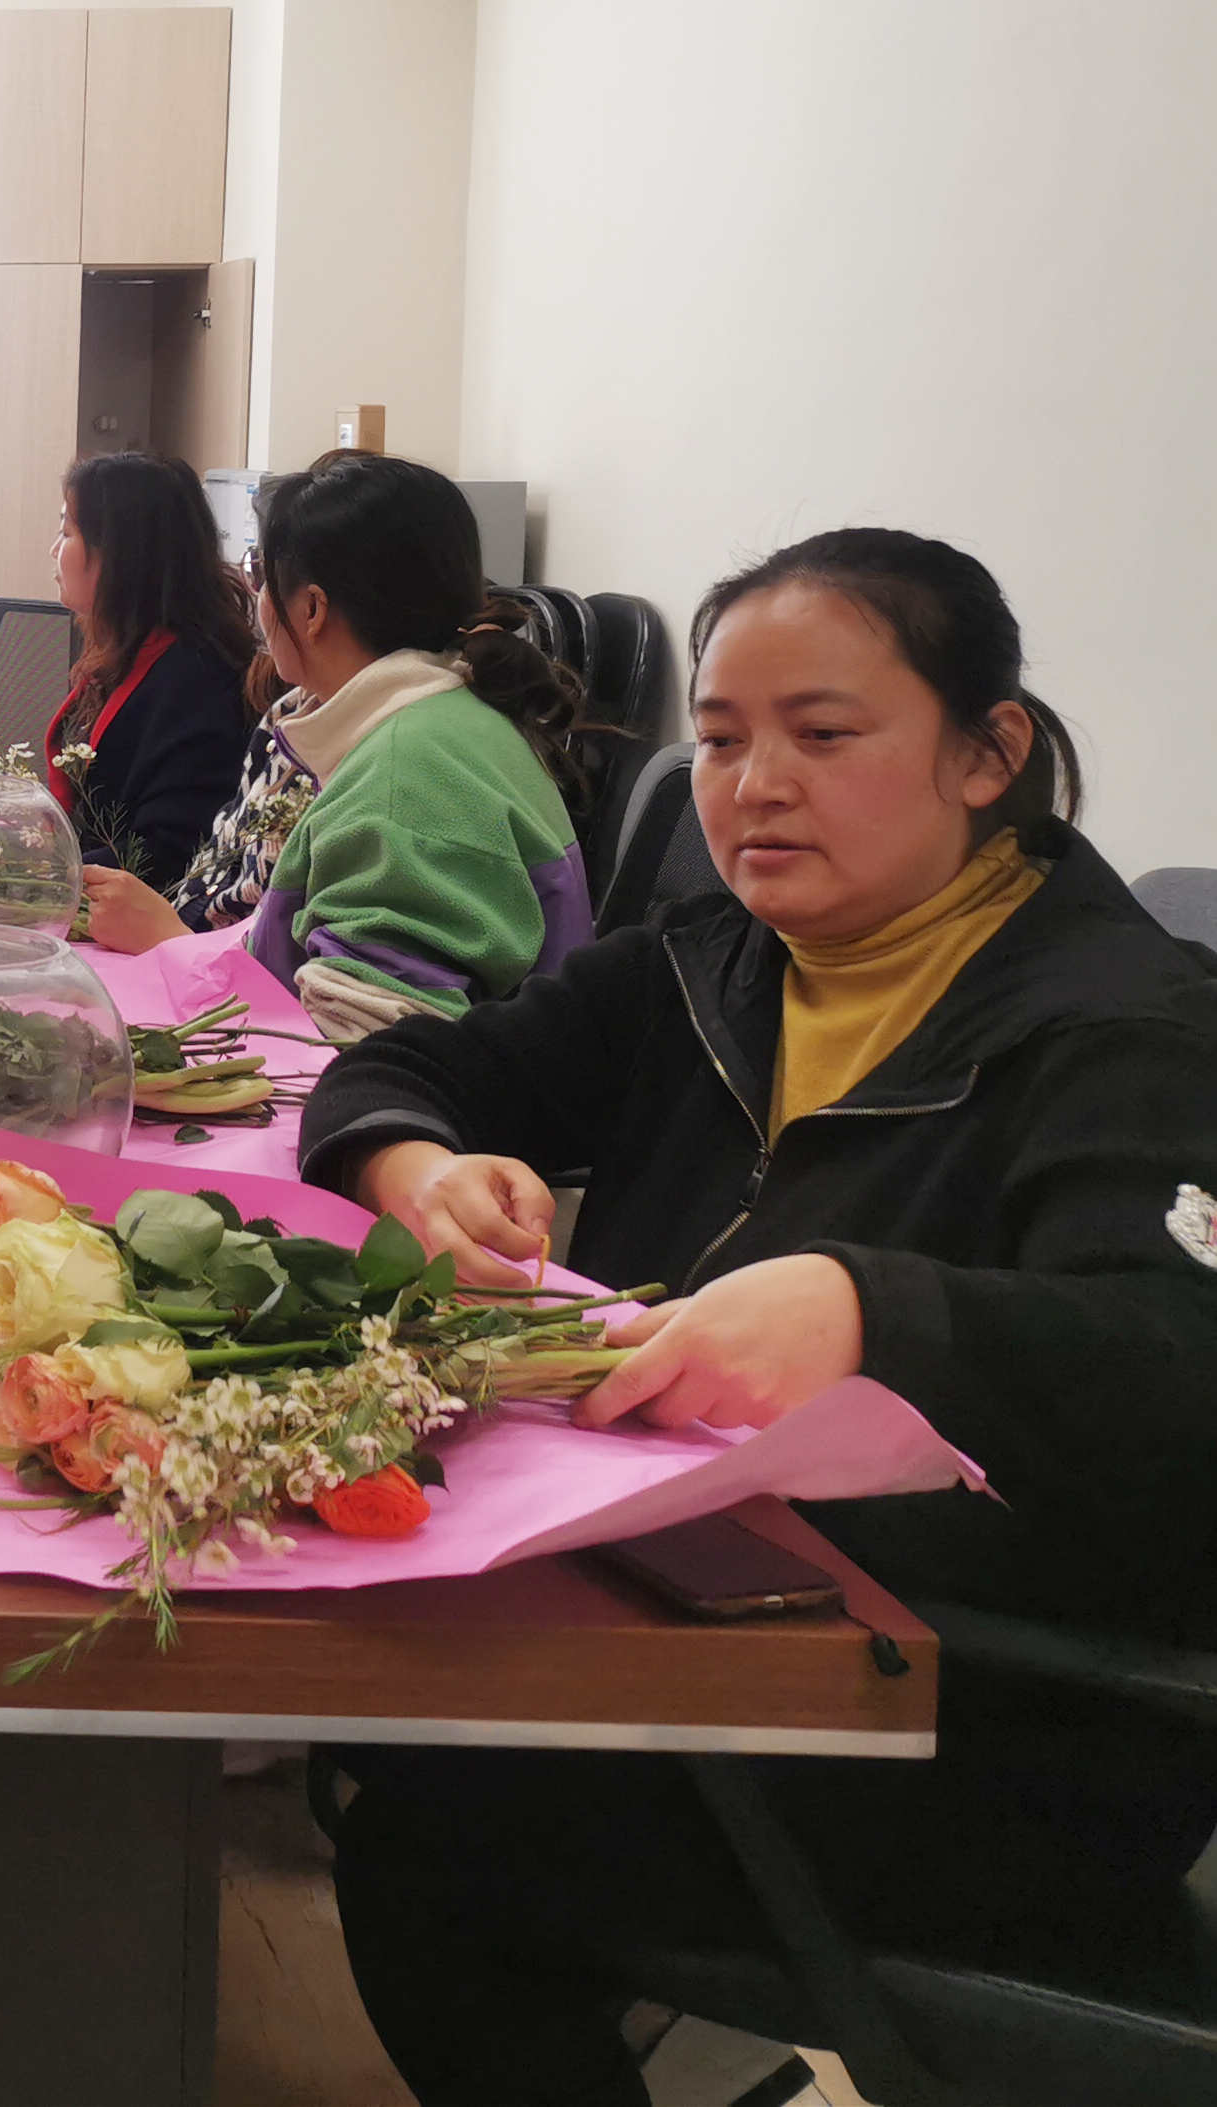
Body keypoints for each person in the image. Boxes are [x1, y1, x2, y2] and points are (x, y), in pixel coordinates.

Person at [296, 528, 1217, 2106]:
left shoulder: (1125, 1028)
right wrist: (415, 1163)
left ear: (985, 752)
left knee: (431, 1849)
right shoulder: (716, 964)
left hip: (981, 1709)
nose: (754, 785)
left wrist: (872, 1311)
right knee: (377, 1719)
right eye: (719, 739)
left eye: (823, 732)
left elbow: (1174, 1371)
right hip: (696, 1606)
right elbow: (408, 1066)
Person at [78, 449, 589, 1041]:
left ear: (312, 608)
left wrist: (171, 947)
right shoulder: (441, 719)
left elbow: (367, 1043)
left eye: (259, 571)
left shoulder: (407, 772)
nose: (256, 597)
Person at [40, 451, 262, 890]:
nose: (54, 550)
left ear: (120, 554)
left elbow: (164, 855)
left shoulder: (197, 680)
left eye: (67, 532)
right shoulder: (125, 648)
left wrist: (33, 875)